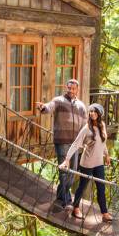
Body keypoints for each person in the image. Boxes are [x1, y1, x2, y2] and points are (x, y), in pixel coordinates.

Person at [35, 79, 87, 211]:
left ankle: (60, 195)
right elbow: (49, 107)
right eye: (68, 88)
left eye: (73, 88)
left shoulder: (81, 106)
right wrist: (43, 107)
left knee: (72, 172)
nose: (70, 90)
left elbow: (86, 126)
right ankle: (66, 201)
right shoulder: (58, 100)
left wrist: (87, 141)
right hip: (62, 141)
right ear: (66, 88)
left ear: (77, 90)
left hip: (75, 143)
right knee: (64, 171)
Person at [59, 103, 112, 222]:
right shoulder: (86, 128)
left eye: (94, 112)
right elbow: (76, 144)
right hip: (87, 163)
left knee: (101, 188)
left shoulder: (102, 125)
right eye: (91, 111)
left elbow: (102, 143)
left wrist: (107, 155)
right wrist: (67, 159)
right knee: (82, 187)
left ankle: (104, 213)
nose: (92, 113)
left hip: (99, 163)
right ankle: (76, 208)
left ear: (99, 114)